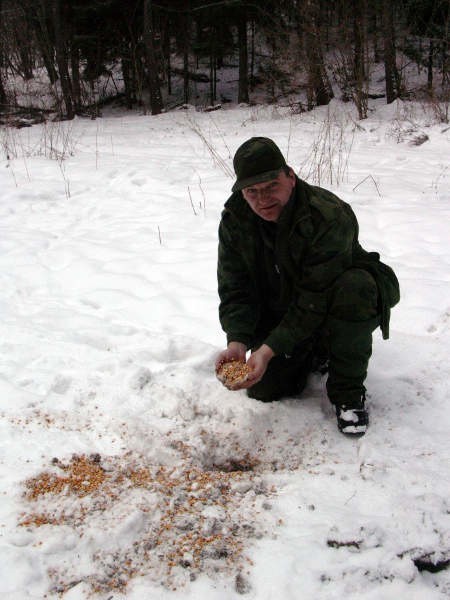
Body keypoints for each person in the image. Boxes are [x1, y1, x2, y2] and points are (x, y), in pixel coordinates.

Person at [216, 137, 400, 436]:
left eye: (271, 186)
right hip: (287, 304)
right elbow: (235, 285)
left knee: (355, 288)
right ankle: (315, 351)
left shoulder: (326, 214)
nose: (262, 200)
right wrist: (237, 340)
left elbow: (316, 295)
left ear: (290, 176)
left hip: (335, 298)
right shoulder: (236, 219)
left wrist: (268, 349)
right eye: (252, 192)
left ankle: (348, 393)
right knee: (266, 389)